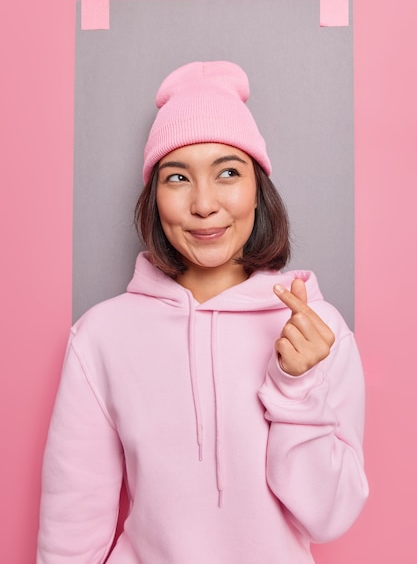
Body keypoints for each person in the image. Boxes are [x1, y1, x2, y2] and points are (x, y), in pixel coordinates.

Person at [37, 61, 368, 563]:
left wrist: (297, 391)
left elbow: (329, 518)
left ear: (259, 190)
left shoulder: (316, 330)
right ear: (154, 199)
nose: (204, 204)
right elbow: (70, 529)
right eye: (177, 178)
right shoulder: (100, 337)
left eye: (228, 173)